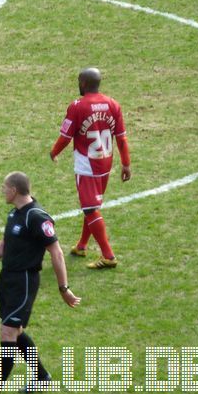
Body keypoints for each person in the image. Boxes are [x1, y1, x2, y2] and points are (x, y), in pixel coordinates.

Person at [0, 172, 81, 394]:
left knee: (7, 334)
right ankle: (42, 377)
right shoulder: (14, 214)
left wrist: (63, 288)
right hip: (7, 280)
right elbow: (5, 245)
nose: (2, 191)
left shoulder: (37, 217)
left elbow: (56, 252)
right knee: (14, 332)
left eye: (4, 187)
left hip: (24, 281)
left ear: (14, 190)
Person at [50, 67, 131, 269]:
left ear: (84, 83)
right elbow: (121, 138)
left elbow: (65, 137)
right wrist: (126, 163)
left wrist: (53, 152)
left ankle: (108, 256)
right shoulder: (113, 104)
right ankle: (82, 245)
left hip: (87, 166)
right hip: (105, 163)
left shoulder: (77, 106)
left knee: (90, 209)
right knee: (92, 208)